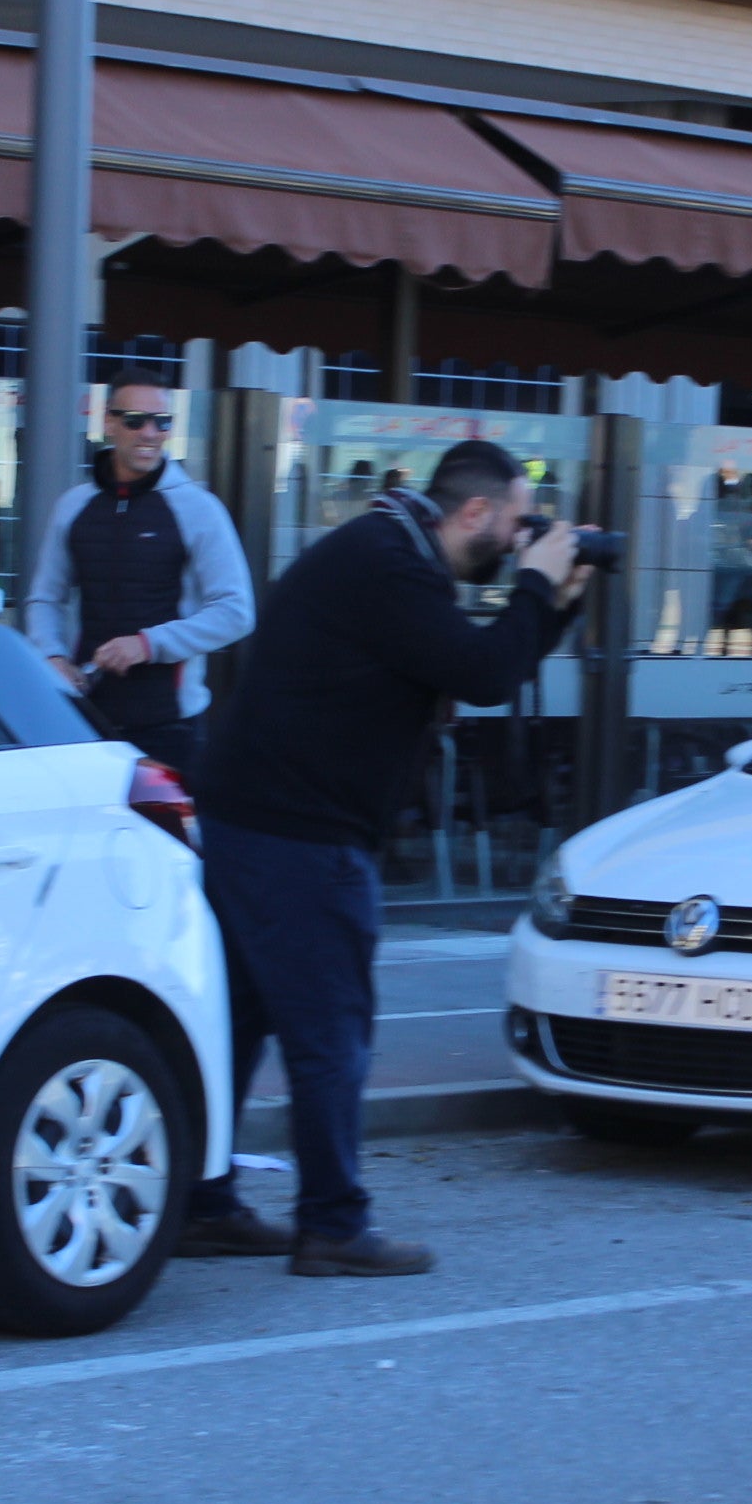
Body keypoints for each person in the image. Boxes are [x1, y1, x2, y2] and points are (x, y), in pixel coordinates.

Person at [179, 440, 593, 1275]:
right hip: (299, 837)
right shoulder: (388, 566)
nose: (519, 540)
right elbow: (480, 673)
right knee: (330, 1031)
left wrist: (557, 599)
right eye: (516, 523)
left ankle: (200, 1203)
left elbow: (489, 666)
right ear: (473, 513)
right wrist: (540, 585)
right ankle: (331, 1224)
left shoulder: (383, 548)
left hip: (255, 824)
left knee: (236, 1023)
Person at [22, 377, 255, 775]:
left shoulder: (199, 508)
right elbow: (45, 598)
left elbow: (237, 612)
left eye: (162, 422)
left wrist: (148, 644)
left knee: (168, 840)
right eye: (135, 420)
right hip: (84, 718)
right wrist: (52, 656)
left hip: (170, 727)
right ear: (108, 423)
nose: (150, 433)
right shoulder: (74, 506)